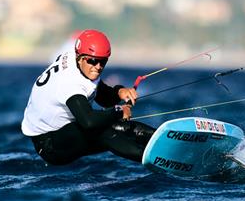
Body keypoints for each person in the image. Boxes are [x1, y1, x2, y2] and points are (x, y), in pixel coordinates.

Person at [21, 29, 154, 166]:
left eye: (103, 62)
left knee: (121, 127)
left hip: (66, 130)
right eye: (93, 61)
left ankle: (165, 140)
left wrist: (119, 91)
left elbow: (103, 98)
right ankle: (154, 160)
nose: (97, 67)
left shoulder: (80, 63)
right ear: (80, 58)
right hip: (50, 145)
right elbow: (88, 122)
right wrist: (120, 110)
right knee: (103, 131)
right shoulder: (70, 83)